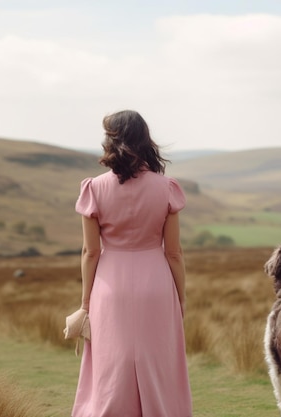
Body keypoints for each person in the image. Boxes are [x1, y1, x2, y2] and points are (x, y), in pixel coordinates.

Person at [71, 110, 193, 417]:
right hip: (157, 284)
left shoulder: (94, 188)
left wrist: (86, 304)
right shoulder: (165, 188)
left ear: (112, 141)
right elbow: (174, 252)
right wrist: (181, 297)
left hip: (110, 286)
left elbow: (90, 252)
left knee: (111, 367)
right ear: (144, 140)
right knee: (160, 365)